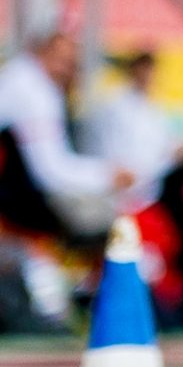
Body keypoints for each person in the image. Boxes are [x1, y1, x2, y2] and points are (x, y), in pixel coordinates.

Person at [0, 28, 130, 246]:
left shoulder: (21, 77)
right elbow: (50, 172)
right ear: (45, 54)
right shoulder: (35, 93)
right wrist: (108, 175)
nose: (70, 70)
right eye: (66, 62)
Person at [84, 49, 178, 199]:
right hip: (121, 187)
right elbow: (108, 147)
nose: (147, 76)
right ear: (134, 70)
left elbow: (161, 148)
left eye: (150, 71)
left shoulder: (153, 107)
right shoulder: (114, 103)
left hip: (146, 188)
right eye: (144, 70)